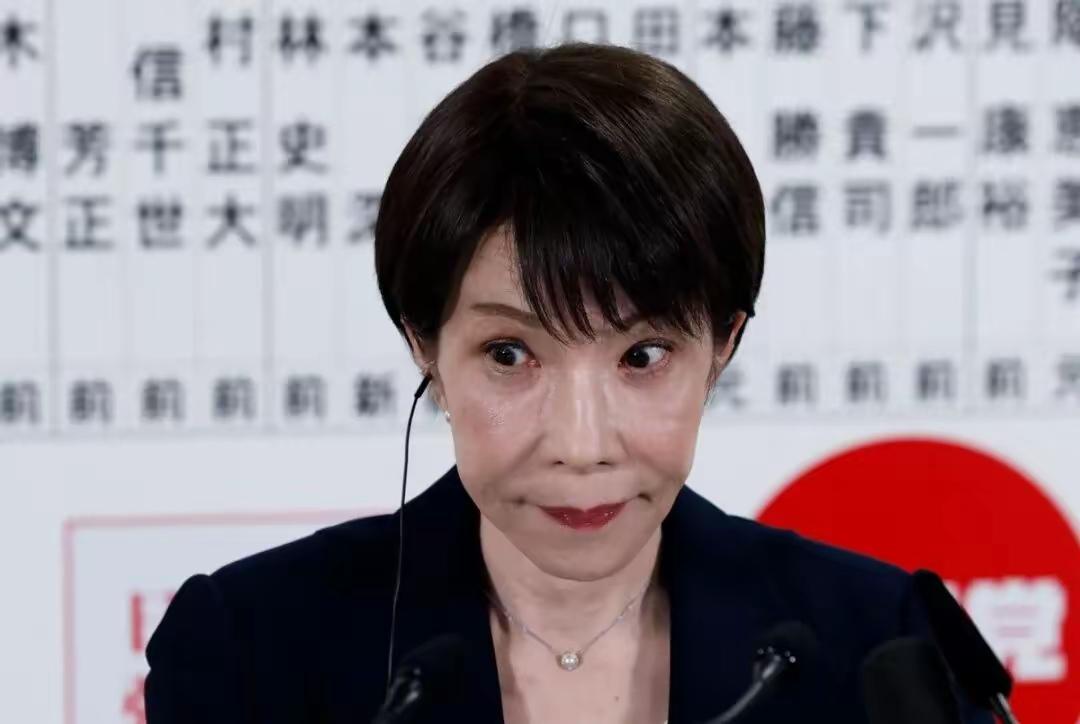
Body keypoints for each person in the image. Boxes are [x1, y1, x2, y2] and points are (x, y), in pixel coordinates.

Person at [145, 43, 991, 723]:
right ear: (423, 344)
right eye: (511, 354)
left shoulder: (877, 648)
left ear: (723, 345)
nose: (581, 445)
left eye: (642, 356)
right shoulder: (255, 649)